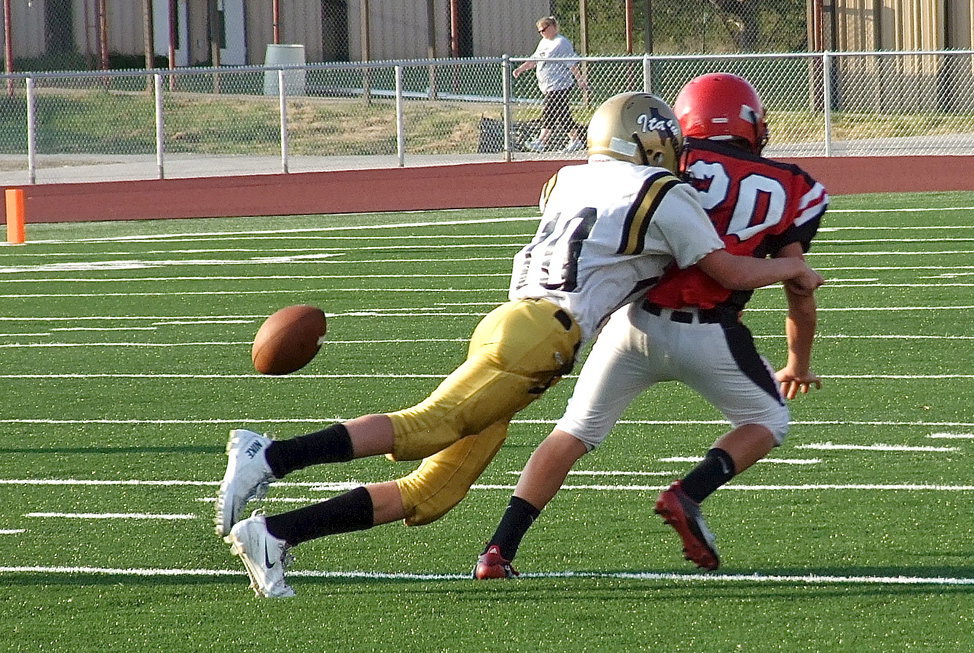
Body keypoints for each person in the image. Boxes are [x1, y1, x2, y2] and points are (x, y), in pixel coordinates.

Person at [215, 90, 817, 597]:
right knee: (428, 424)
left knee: (434, 491)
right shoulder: (665, 192)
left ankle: (276, 536)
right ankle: (269, 457)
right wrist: (791, 271)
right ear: (652, 140)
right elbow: (728, 273)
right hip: (541, 337)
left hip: (514, 322)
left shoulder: (565, 179)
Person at [472, 73, 828, 580]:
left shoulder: (665, 159)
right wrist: (799, 362)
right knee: (768, 421)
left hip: (632, 323)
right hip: (711, 331)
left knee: (573, 432)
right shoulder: (792, 184)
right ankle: (688, 494)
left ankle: (497, 549)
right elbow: (798, 290)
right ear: (751, 121)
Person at [512, 16, 588, 152]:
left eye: (543, 30)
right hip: (547, 85)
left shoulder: (561, 43)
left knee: (549, 110)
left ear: (552, 27)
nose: (542, 33)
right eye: (539, 31)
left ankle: (542, 141)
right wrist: (521, 69)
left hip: (559, 84)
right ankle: (575, 140)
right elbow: (534, 59)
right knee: (562, 113)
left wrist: (580, 79)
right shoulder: (543, 43)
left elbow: (572, 64)